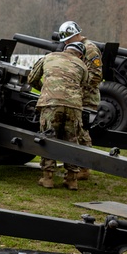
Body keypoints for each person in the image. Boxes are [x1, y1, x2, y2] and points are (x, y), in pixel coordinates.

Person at [27, 41, 89, 190]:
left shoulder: (48, 57)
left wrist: (47, 90)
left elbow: (31, 79)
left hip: (50, 104)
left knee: (48, 139)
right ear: (80, 54)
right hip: (74, 106)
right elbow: (83, 85)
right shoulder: (82, 65)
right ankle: (71, 179)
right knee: (72, 141)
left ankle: (47, 178)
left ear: (66, 49)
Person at [56, 20, 101, 181]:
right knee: (76, 130)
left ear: (73, 36)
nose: (66, 43)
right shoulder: (79, 47)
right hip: (76, 95)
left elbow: (96, 75)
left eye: (67, 40)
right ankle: (77, 164)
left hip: (86, 97)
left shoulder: (89, 48)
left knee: (82, 131)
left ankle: (84, 167)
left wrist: (77, 87)